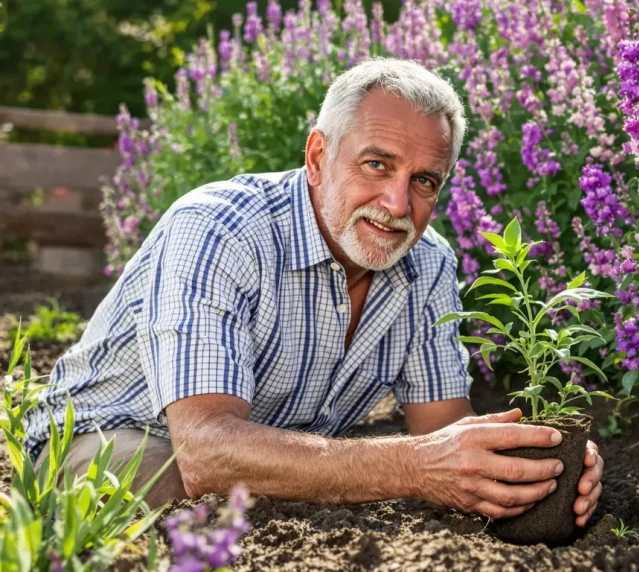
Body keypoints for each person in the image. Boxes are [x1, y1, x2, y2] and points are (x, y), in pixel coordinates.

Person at [25, 58, 603, 527]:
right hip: (113, 435)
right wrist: (412, 466)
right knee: (192, 499)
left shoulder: (426, 264)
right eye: (376, 165)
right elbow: (206, 452)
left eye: (424, 181)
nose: (397, 204)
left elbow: (443, 429)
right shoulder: (220, 230)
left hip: (259, 456)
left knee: (276, 495)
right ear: (318, 156)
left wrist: (535, 466)